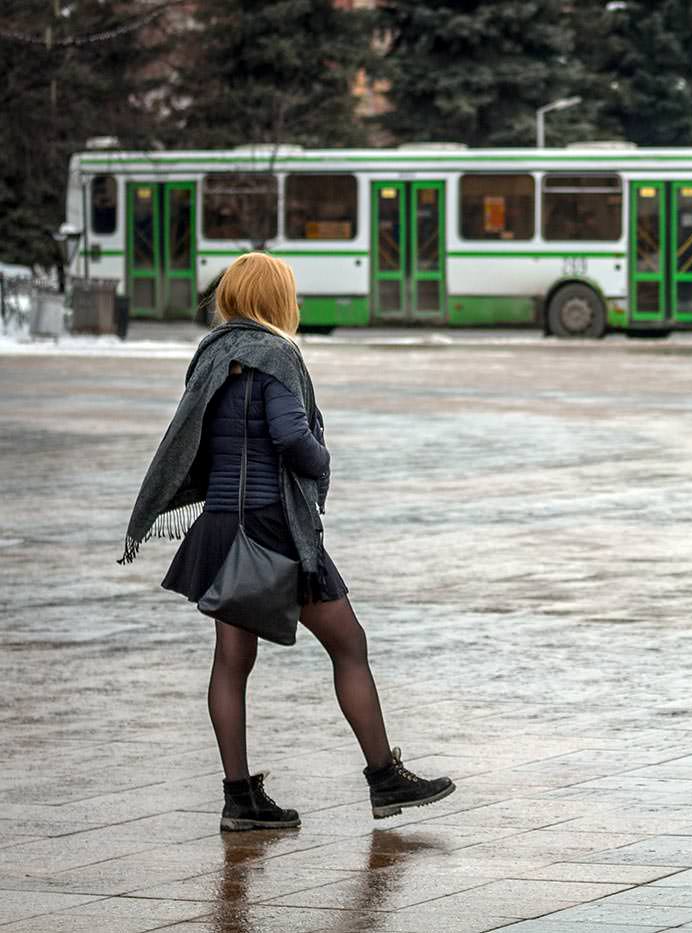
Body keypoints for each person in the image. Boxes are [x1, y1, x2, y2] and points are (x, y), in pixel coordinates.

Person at [120, 252, 455, 831]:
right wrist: (323, 459)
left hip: (223, 523)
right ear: (276, 299)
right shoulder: (275, 355)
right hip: (275, 527)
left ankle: (239, 799)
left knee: (231, 660)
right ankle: (383, 777)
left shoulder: (212, 355)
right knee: (349, 644)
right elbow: (291, 438)